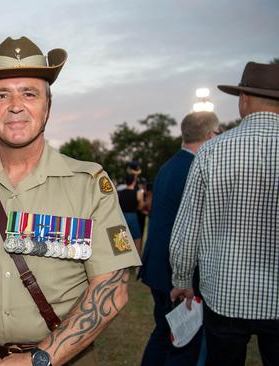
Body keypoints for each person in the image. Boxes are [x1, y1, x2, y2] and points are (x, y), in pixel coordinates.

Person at [0, 36, 141, 366]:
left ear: (48, 105)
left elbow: (111, 287)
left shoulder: (87, 185)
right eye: (1, 95)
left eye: (29, 93)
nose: (15, 105)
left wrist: (40, 359)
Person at [170, 62, 279, 365]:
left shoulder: (212, 150)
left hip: (226, 294)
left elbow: (187, 226)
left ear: (243, 99)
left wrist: (181, 277)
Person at [139, 111, 219, 366]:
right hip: (176, 270)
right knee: (183, 342)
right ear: (209, 135)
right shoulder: (195, 168)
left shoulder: (169, 165)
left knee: (164, 332)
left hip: (158, 265)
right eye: (217, 133)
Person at [117, 174, 144, 255]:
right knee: (137, 237)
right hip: (133, 216)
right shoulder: (138, 192)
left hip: (122, 216)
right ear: (134, 182)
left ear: (125, 182)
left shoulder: (120, 193)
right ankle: (137, 260)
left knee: (122, 237)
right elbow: (141, 205)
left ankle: (124, 261)